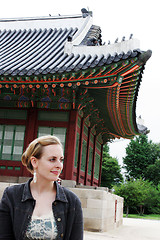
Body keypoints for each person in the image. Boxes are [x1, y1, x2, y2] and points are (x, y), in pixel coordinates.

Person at [0, 135, 83, 240]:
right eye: (52, 159)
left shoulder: (72, 201)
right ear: (34, 161)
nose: (59, 165)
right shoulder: (12, 195)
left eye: (61, 159)